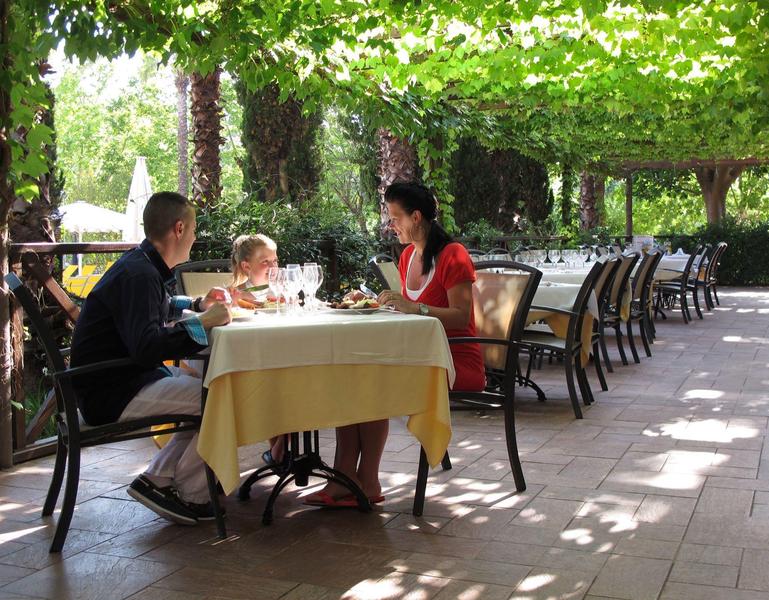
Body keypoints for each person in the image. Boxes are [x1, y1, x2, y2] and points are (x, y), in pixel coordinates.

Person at [303, 181, 484, 507]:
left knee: (371, 377)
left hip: (454, 359)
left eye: (395, 217)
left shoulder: (452, 255)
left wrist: (415, 307)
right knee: (353, 371)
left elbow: (460, 316)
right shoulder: (407, 257)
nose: (391, 224)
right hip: (418, 353)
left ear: (416, 217)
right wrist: (375, 301)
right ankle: (349, 476)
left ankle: (361, 478)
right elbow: (405, 311)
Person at [70, 191, 232, 525]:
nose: (195, 237)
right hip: (112, 391)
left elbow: (156, 307)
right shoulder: (139, 274)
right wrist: (204, 322)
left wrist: (197, 304)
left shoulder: (140, 265)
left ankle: (158, 480)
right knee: (222, 396)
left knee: (205, 387)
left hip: (116, 379)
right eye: (193, 229)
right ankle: (192, 493)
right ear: (178, 229)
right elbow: (146, 345)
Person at [228, 233, 289, 469]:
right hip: (250, 364)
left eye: (275, 261)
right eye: (266, 262)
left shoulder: (279, 292)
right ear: (246, 266)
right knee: (279, 382)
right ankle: (280, 449)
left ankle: (279, 450)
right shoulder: (237, 294)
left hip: (275, 355)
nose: (273, 267)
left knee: (289, 375)